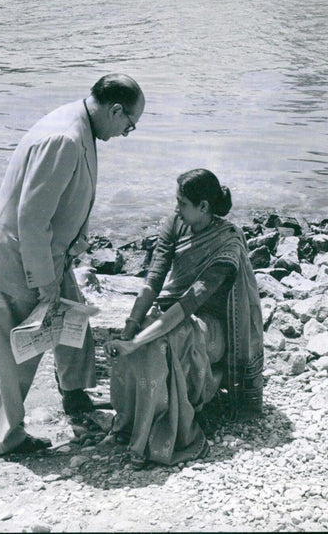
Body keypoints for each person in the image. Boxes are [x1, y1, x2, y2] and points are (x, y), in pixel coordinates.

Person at [0, 74, 145, 456]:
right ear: (115, 110)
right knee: (20, 353)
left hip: (49, 251)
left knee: (74, 321)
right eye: (129, 125)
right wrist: (44, 281)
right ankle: (6, 439)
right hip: (18, 259)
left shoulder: (80, 123)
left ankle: (73, 395)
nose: (127, 133)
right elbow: (30, 219)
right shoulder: (65, 138)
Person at [103, 169, 263, 467]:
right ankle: (134, 425)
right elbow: (153, 280)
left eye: (182, 203)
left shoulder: (226, 245)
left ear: (203, 206)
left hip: (211, 329)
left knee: (160, 341)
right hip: (175, 311)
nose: (176, 207)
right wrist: (130, 328)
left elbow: (187, 305)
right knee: (146, 334)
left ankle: (161, 434)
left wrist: (138, 341)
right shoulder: (175, 224)